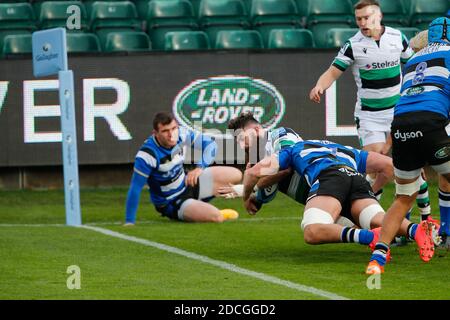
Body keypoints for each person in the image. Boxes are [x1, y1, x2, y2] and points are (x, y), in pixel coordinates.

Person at [309, 0, 431, 209]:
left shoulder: (397, 38)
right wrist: (319, 86)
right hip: (369, 116)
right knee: (376, 168)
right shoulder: (353, 45)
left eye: (367, 17)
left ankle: (424, 218)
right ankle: (376, 218)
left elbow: (413, 67)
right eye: (359, 19)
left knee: (414, 165)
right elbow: (332, 72)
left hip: (399, 112)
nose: (363, 22)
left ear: (379, 16)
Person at [241, 140, 428, 258]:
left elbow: (253, 173)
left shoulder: (291, 150)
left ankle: (370, 237)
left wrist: (246, 196)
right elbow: (388, 166)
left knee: (312, 231)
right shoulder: (342, 148)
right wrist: (371, 189)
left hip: (328, 177)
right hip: (356, 179)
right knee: (377, 220)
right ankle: (416, 230)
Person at [366, 17, 450, 274]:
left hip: (401, 125)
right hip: (431, 121)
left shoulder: (413, 60)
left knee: (403, 197)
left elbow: (408, 98)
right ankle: (445, 232)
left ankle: (378, 258)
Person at [124, 112, 242, 225]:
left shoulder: (181, 133)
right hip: (172, 201)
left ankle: (197, 207)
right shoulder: (147, 155)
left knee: (236, 174)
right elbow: (135, 187)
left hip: (187, 182)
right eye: (165, 131)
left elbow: (211, 145)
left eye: (173, 128)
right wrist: (130, 221)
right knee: (216, 217)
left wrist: (199, 168)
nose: (171, 135)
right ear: (155, 133)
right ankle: (200, 211)